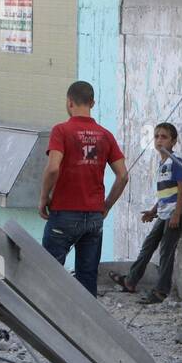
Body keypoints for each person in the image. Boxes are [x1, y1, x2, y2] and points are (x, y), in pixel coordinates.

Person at [40, 80, 128, 296]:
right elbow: (123, 175)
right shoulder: (105, 135)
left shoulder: (61, 131)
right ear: (93, 103)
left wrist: (44, 197)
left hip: (64, 214)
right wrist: (106, 205)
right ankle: (85, 327)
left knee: (48, 274)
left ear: (69, 102)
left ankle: (49, 323)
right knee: (87, 276)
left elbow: (53, 169)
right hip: (94, 216)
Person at [110, 122, 182, 304]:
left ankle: (161, 291)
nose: (159, 140)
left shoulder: (175, 162)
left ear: (173, 141)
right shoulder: (161, 164)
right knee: (148, 244)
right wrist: (153, 211)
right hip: (163, 213)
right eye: (156, 136)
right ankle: (131, 280)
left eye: (164, 137)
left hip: (174, 214)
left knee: (166, 250)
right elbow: (165, 194)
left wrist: (177, 214)